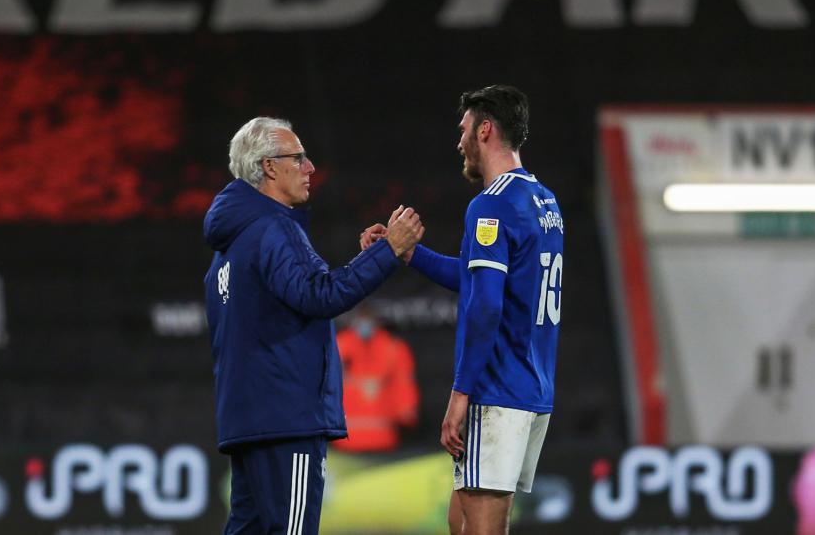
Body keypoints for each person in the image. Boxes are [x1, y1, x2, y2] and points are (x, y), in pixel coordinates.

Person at [203, 116, 424, 535]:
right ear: (269, 166)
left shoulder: (229, 244)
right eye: (298, 158)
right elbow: (319, 295)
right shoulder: (274, 228)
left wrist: (365, 260)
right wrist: (390, 251)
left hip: (249, 420)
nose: (310, 168)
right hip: (288, 419)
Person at [360, 85, 563, 534]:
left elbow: (486, 306)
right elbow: (480, 281)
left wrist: (460, 393)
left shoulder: (491, 204)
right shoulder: (543, 201)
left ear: (484, 129)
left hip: (497, 390)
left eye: (464, 129)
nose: (459, 141)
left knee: (484, 529)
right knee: (460, 522)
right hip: (532, 388)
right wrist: (409, 254)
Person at [333, 305, 419, 453]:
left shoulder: (394, 348)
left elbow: (404, 384)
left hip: (382, 438)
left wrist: (407, 413)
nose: (364, 324)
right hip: (346, 440)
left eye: (368, 319)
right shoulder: (337, 346)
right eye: (361, 319)